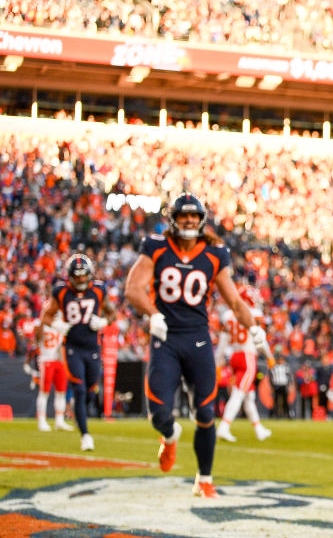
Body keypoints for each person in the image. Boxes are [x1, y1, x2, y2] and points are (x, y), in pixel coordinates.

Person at [124, 193, 269, 499]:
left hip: (198, 339)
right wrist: (153, 315)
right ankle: (169, 435)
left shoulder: (215, 254)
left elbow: (233, 299)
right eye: (182, 216)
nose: (188, 220)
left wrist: (255, 330)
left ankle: (204, 478)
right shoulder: (156, 247)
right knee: (160, 414)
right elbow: (133, 289)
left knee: (205, 413)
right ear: (173, 219)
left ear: (201, 220)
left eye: (193, 215)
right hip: (166, 337)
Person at [37, 253, 116, 451]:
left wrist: (104, 322)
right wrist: (57, 324)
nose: (81, 279)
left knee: (90, 389)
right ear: (70, 276)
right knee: (79, 389)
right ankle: (86, 436)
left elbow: (112, 312)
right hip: (72, 347)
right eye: (77, 276)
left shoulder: (98, 290)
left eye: (83, 275)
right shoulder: (61, 292)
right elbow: (45, 316)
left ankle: (76, 409)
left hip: (92, 347)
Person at [214, 285, 273, 442]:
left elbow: (223, 342)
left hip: (234, 356)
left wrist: (218, 363)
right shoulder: (254, 314)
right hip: (248, 357)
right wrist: (269, 357)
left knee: (248, 396)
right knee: (238, 394)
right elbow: (260, 341)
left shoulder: (228, 315)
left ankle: (259, 429)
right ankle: (224, 427)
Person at [26, 321, 74, 432]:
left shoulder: (62, 322)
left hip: (60, 360)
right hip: (46, 360)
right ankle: (42, 420)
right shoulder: (40, 323)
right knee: (44, 392)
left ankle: (60, 420)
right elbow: (36, 340)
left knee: (61, 392)